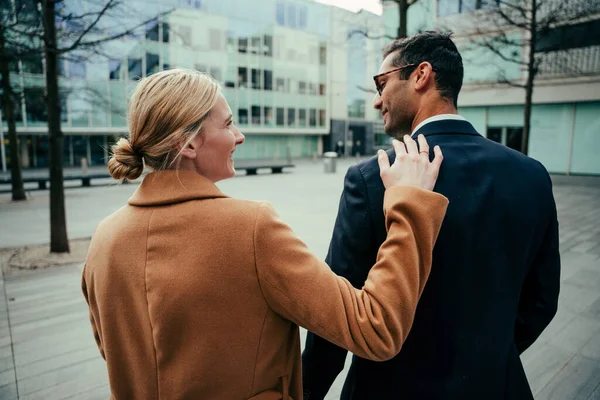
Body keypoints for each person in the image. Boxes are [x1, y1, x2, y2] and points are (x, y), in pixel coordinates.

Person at [81, 68, 449, 399]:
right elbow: (376, 328)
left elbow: (113, 351)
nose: (239, 136)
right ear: (189, 143)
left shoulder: (105, 239)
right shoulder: (249, 228)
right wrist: (410, 205)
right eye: (227, 125)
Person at [302, 31, 560, 400]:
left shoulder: (373, 177)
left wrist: (307, 390)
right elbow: (542, 300)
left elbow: (338, 312)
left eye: (382, 83)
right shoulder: (532, 174)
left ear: (421, 75)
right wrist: (484, 359)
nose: (377, 101)